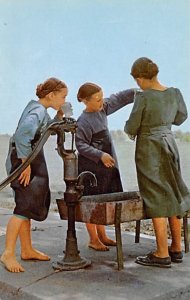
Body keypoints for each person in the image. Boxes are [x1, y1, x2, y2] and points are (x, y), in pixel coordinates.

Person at [124, 57, 190, 268]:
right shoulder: (175, 93)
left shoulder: (143, 97)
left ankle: (161, 253)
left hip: (149, 148)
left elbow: (132, 126)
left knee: (154, 195)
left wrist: (129, 128)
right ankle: (176, 248)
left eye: (137, 79)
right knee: (172, 191)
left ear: (142, 77)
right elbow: (181, 117)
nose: (137, 83)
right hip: (169, 143)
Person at [0, 77, 68, 272]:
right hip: (25, 158)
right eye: (62, 97)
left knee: (27, 204)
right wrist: (25, 163)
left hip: (29, 156)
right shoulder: (38, 111)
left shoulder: (40, 109)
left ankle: (27, 249)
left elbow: (48, 131)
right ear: (51, 95)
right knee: (23, 207)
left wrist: (59, 117)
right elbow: (22, 135)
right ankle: (8, 253)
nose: (64, 100)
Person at [75, 82, 135, 251]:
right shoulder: (83, 121)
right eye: (97, 100)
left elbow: (119, 98)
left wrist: (136, 91)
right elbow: (80, 145)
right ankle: (93, 239)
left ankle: (102, 235)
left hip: (106, 163)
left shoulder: (102, 108)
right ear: (85, 101)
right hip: (91, 166)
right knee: (91, 201)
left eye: (102, 98)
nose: (102, 102)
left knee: (103, 198)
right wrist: (100, 155)